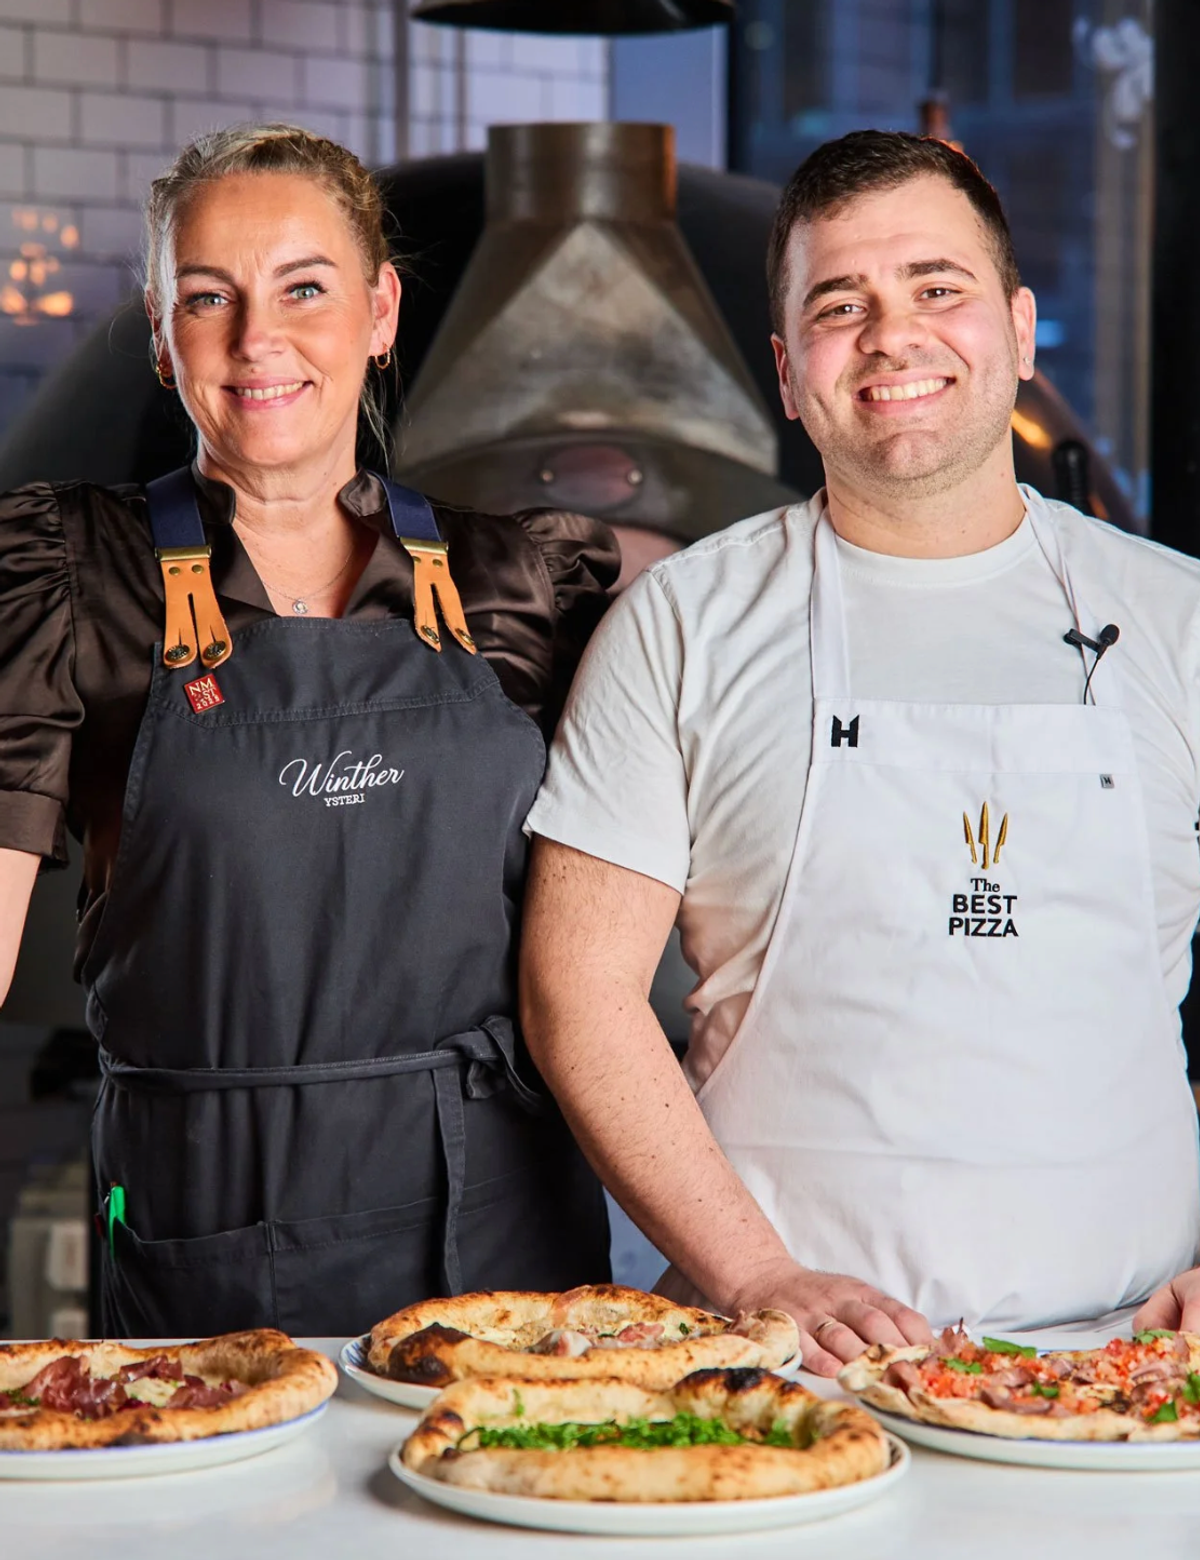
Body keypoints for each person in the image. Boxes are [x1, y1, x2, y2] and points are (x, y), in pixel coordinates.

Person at [519, 129, 1200, 1375]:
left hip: (1134, 1367)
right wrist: (759, 1274)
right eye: (842, 306)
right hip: (787, 1370)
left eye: (937, 288)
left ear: (1020, 330)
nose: (894, 337)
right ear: (789, 371)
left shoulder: (1177, 617)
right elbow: (580, 993)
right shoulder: (683, 623)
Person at [0, 124, 615, 1338]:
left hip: (504, 1245)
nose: (256, 339)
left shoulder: (526, 581)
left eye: (305, 289)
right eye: (207, 297)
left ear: (380, 313)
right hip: (210, 1229)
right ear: (162, 335)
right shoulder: (66, 575)